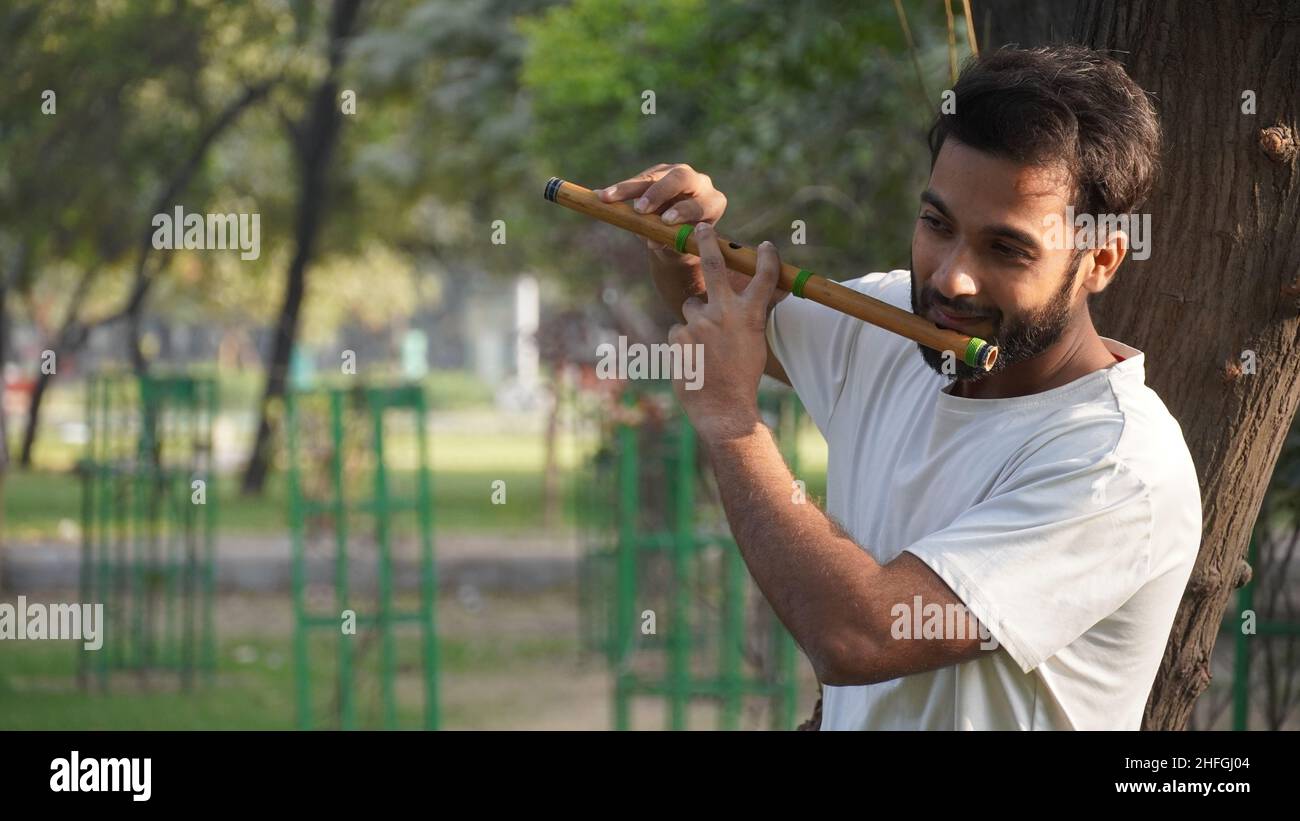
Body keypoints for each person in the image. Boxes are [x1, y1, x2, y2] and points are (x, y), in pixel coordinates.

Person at [597, 44, 1200, 730]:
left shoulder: (1118, 466)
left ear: (1100, 259)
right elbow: (719, 307)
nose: (950, 278)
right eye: (937, 225)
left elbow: (860, 635)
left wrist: (731, 421)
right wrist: (679, 241)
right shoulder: (886, 326)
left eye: (1005, 248)